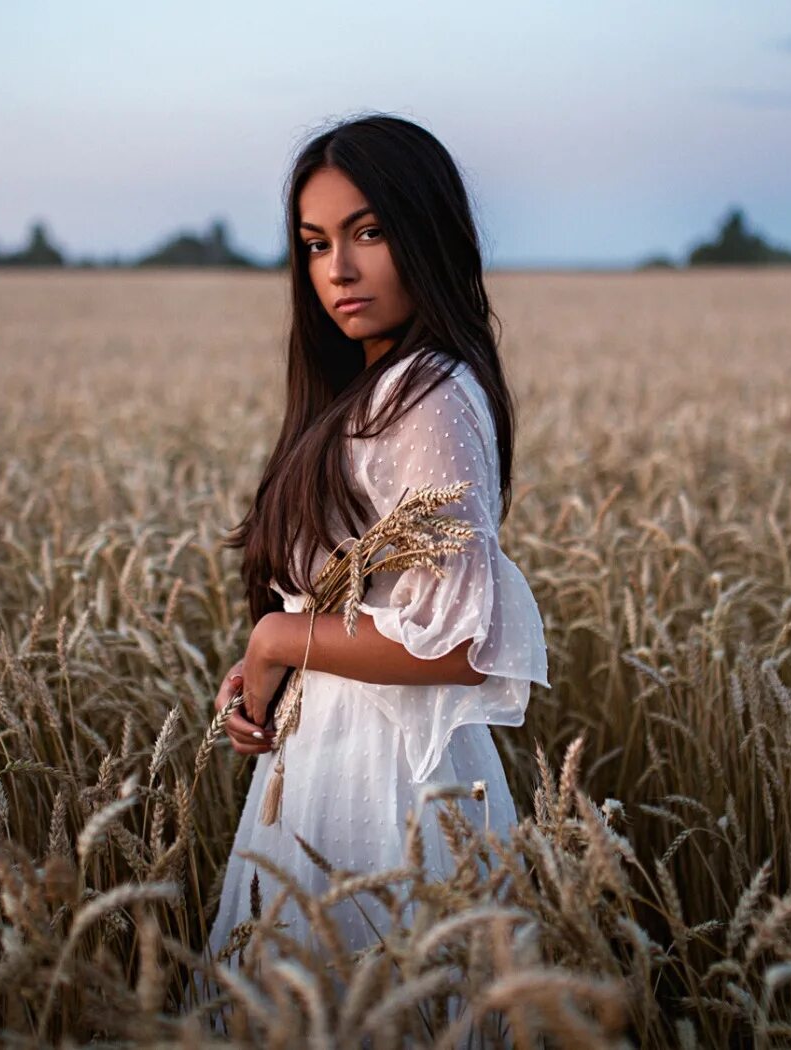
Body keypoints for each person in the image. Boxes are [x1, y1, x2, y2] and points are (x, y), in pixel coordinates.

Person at [206, 113, 550, 970]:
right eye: (316, 244)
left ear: (427, 232)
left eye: (368, 232)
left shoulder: (426, 393)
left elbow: (465, 646)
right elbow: (364, 604)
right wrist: (268, 684)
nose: (339, 270)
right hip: (326, 764)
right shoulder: (371, 388)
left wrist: (280, 639)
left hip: (391, 781)